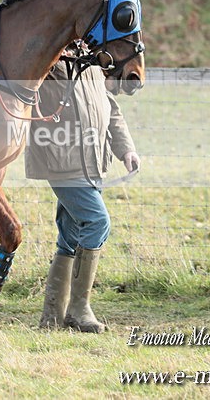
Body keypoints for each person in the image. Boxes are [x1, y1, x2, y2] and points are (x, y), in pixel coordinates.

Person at [26, 51, 140, 333]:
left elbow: (110, 108)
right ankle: (78, 309)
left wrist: (125, 150)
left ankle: (52, 316)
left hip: (92, 162)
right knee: (97, 222)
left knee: (69, 235)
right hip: (60, 160)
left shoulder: (92, 61)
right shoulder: (48, 57)